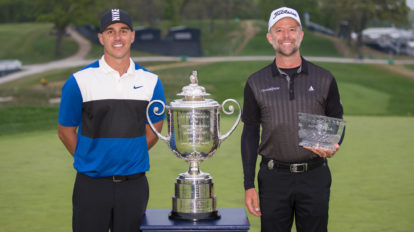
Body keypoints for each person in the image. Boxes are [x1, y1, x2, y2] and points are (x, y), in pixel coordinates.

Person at [57, 8, 165, 232]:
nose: (118, 37)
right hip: (91, 186)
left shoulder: (151, 82)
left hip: (134, 186)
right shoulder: (79, 81)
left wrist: (131, 154)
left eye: (123, 31)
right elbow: (65, 131)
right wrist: (91, 160)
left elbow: (154, 129)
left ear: (132, 36)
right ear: (101, 38)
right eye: (110, 31)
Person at [241, 6, 344, 232]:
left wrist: (334, 144)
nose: (286, 36)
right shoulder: (255, 82)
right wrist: (249, 185)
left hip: (315, 176)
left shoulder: (324, 78)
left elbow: (336, 118)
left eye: (292, 29)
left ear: (301, 35)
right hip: (273, 177)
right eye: (279, 30)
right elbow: (249, 133)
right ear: (270, 37)